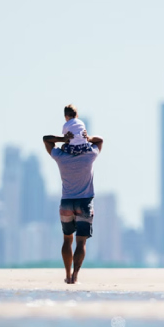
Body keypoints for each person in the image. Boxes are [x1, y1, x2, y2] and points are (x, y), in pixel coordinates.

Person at [43, 121, 104, 284]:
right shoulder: (90, 155)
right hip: (84, 203)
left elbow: (46, 139)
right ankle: (75, 276)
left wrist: (63, 139)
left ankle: (67, 274)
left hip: (66, 204)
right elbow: (100, 141)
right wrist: (88, 138)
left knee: (67, 240)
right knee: (81, 242)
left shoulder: (61, 157)